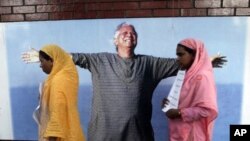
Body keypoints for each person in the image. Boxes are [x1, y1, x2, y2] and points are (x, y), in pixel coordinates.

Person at [22, 22, 226, 141]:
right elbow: (69, 57)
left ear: (136, 39)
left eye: (132, 33)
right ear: (115, 40)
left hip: (139, 135)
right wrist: (43, 54)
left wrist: (205, 61)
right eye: (124, 33)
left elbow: (182, 63)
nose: (129, 35)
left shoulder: (149, 64)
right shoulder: (99, 60)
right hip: (103, 135)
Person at [162, 38, 218, 141]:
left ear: (193, 55)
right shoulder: (186, 76)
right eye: (177, 55)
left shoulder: (202, 77)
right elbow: (185, 101)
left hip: (193, 136)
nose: (177, 59)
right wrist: (169, 104)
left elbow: (208, 110)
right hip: (179, 133)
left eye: (181, 54)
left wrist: (179, 112)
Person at [37, 44, 86, 141]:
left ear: (51, 60)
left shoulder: (58, 82)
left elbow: (57, 113)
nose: (40, 65)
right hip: (73, 133)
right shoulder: (65, 77)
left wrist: (51, 138)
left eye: (42, 61)